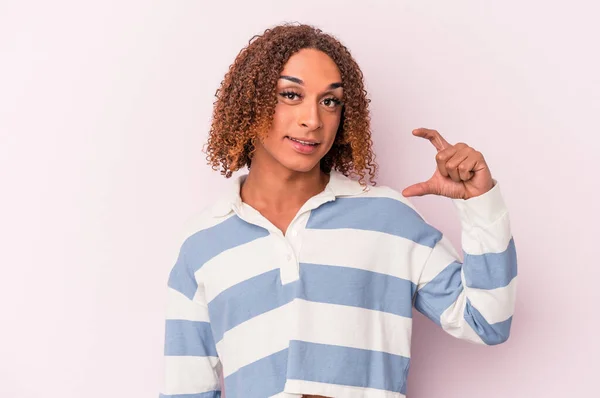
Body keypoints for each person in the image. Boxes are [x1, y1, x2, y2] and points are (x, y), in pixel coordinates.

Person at [159, 23, 517, 398]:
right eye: (291, 95)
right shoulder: (202, 242)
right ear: (251, 103)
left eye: (330, 101)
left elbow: (486, 321)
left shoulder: (386, 218)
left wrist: (480, 202)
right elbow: (187, 389)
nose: (312, 120)